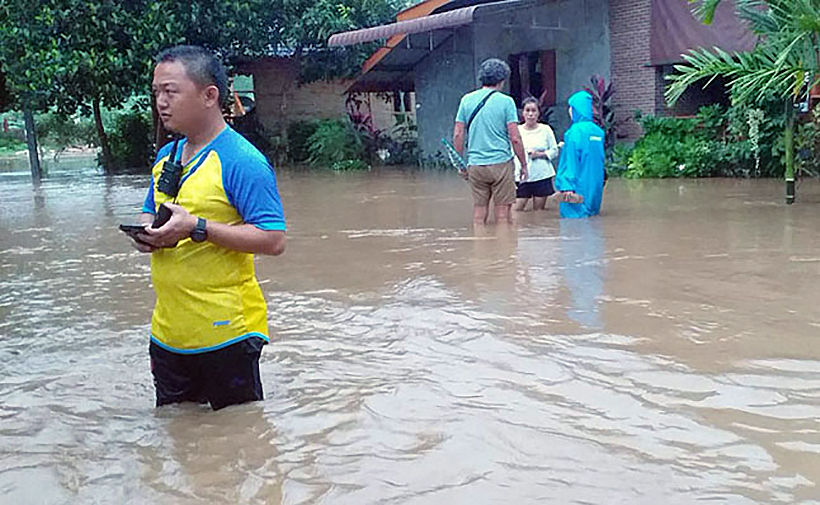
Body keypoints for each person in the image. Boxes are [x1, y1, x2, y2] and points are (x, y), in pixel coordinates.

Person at [128, 45, 287, 410]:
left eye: (171, 91)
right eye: (156, 92)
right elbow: (149, 210)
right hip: (168, 335)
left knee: (238, 441)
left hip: (228, 335)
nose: (160, 102)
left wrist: (197, 227)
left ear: (209, 95)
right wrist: (146, 235)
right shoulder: (165, 157)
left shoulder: (242, 160)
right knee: (181, 441)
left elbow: (274, 239)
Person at [453, 58, 528, 224]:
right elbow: (515, 138)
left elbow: (458, 134)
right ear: (502, 80)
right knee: (502, 215)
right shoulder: (506, 102)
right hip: (501, 163)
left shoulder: (466, 100)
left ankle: (480, 246)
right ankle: (502, 248)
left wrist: (460, 164)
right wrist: (523, 164)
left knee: (479, 212)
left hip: (475, 164)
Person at [554, 90, 605, 218]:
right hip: (594, 187)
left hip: (576, 188)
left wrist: (566, 186)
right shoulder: (598, 132)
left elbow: (570, 162)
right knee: (592, 222)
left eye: (570, 108)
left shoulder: (573, 132)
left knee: (573, 227)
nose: (569, 111)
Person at [513, 97, 562, 212]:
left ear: (538, 113)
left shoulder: (546, 130)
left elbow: (554, 150)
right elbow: (510, 152)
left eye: (534, 111)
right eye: (527, 110)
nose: (530, 114)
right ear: (523, 113)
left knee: (539, 212)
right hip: (521, 176)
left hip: (541, 175)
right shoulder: (517, 130)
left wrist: (541, 154)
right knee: (516, 210)